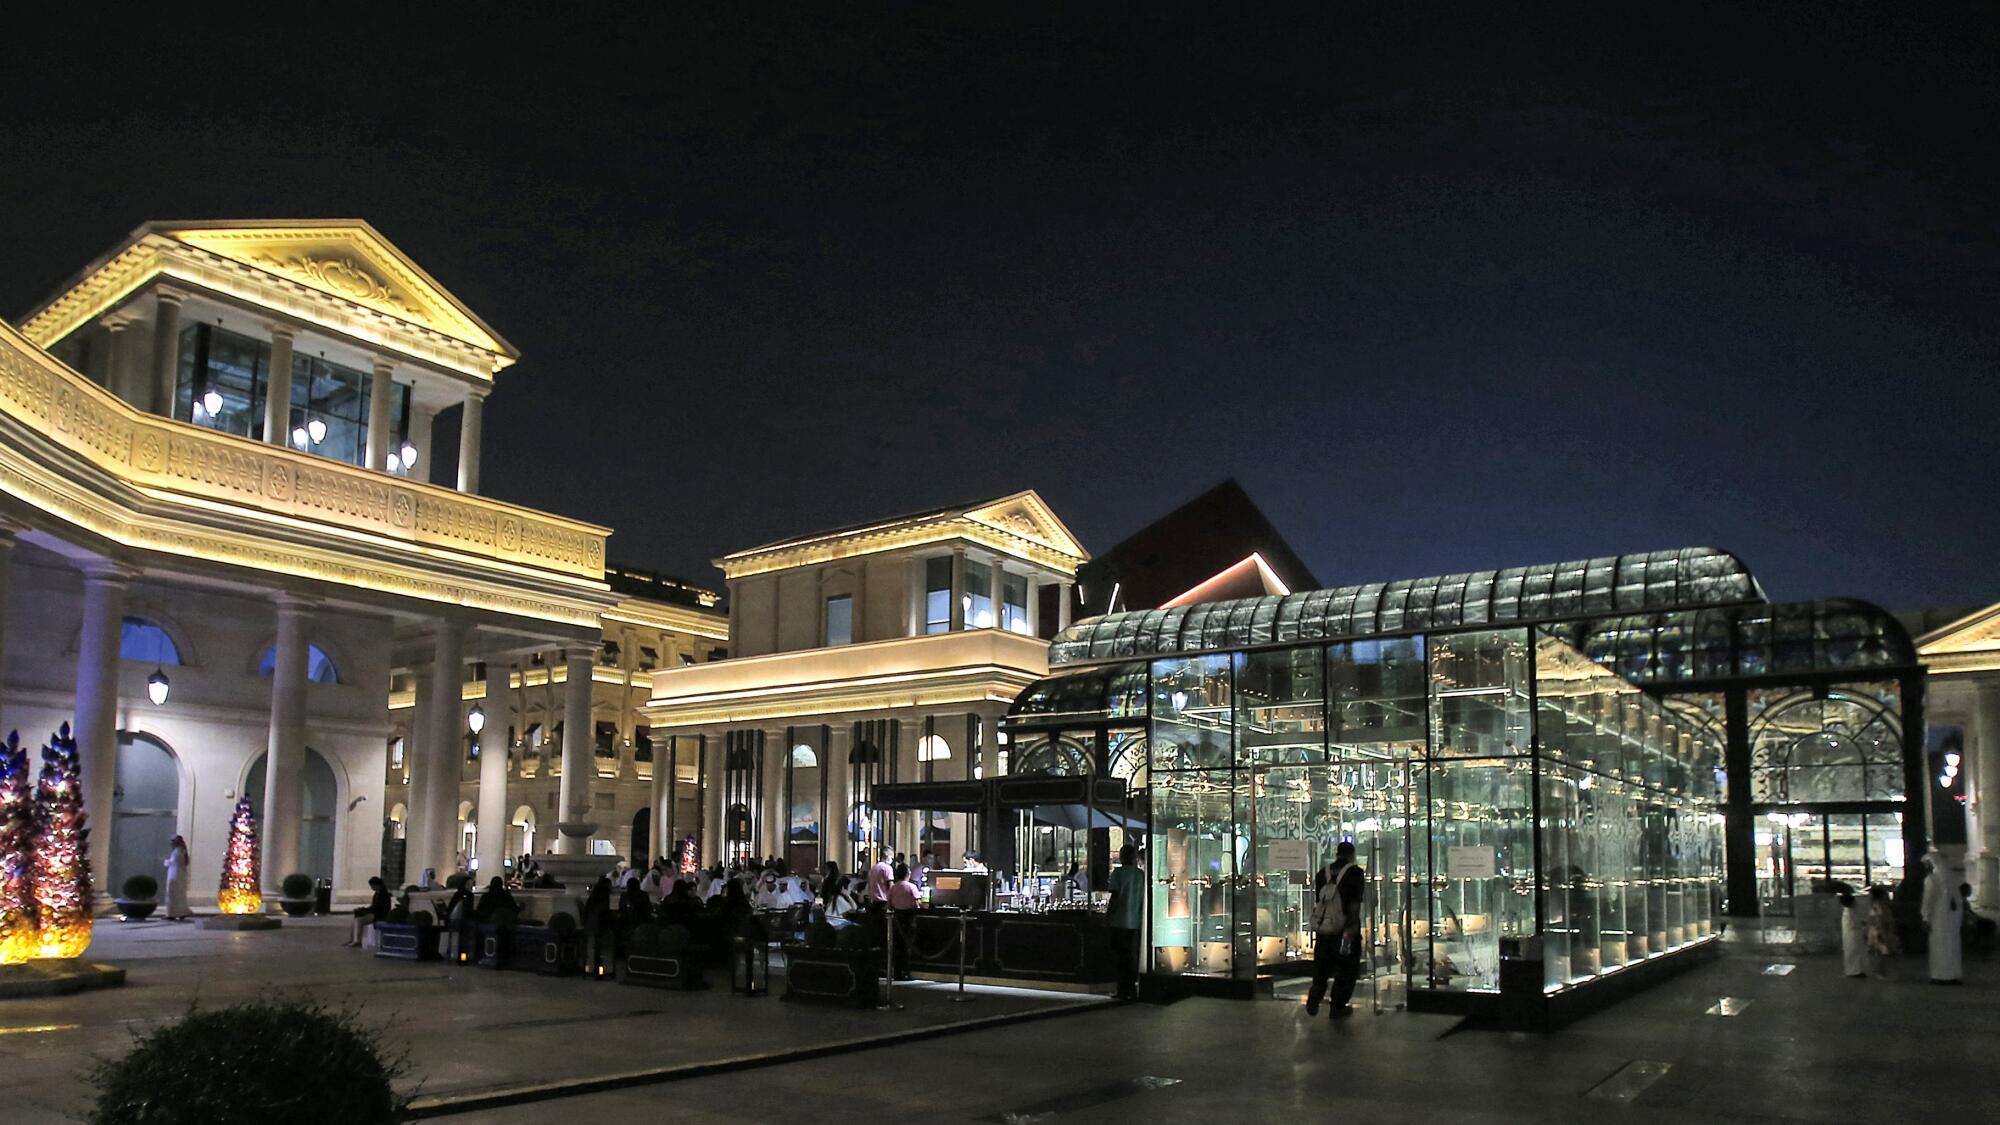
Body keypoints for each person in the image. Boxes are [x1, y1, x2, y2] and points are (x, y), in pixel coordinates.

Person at [1306, 842, 1367, 1019]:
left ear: (1337, 854)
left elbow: (1321, 901)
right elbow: (1355, 903)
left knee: (1322, 966)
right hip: (1344, 929)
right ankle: (1337, 1006)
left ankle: (1316, 993)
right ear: (1352, 855)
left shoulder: (1321, 874)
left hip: (1324, 929)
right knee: (1347, 968)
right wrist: (1352, 928)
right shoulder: (1355, 873)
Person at [1103, 844, 1146, 1000]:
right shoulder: (1140, 875)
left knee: (1119, 957)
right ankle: (1132, 988)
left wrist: (1108, 916)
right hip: (1134, 922)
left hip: (1118, 921)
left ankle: (1122, 989)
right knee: (1131, 957)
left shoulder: (1118, 873)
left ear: (1122, 857)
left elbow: (1114, 897)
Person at [1920, 852, 1964, 984]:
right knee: (1952, 947)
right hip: (1951, 920)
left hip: (1937, 919)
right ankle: (1952, 974)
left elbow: (1928, 900)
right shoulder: (1951, 879)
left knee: (1938, 947)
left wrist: (1925, 917)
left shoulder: (1932, 879)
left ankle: (1940, 975)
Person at [886, 862, 921, 980]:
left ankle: (896, 972)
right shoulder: (912, 887)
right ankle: (907, 972)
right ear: (908, 874)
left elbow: (889, 905)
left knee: (897, 947)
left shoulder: (893, 887)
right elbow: (917, 904)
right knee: (907, 947)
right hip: (909, 918)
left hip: (896, 919)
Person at [346, 876, 391, 947]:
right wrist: (363, 910)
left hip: (380, 915)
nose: (371, 887)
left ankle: (357, 940)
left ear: (376, 885)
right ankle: (352, 939)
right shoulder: (377, 894)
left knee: (359, 920)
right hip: (376, 913)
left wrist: (364, 910)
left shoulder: (383, 895)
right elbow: (374, 907)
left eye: (372, 885)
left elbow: (378, 908)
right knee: (356, 919)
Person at [1865, 885, 1899, 980]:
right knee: (1883, 952)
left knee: (1880, 952)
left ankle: (1880, 971)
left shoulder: (1875, 905)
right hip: (1880, 930)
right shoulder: (1880, 906)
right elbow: (1881, 919)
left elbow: (1872, 919)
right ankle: (1881, 972)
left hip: (1876, 930)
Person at [163, 835, 192, 921]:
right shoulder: (182, 851)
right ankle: (180, 912)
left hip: (174, 876)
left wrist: (165, 862)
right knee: (179, 895)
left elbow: (174, 863)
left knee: (173, 895)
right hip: (179, 876)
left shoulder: (177, 852)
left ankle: (172, 913)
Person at [1838, 889, 1867, 978]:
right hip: (1854, 934)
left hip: (1850, 934)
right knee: (1856, 952)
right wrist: (1862, 923)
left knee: (1851, 952)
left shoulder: (1847, 911)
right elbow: (1854, 923)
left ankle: (1853, 970)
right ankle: (1856, 971)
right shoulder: (1850, 911)